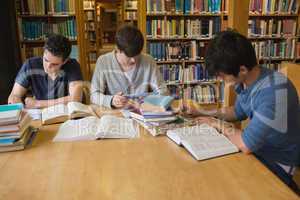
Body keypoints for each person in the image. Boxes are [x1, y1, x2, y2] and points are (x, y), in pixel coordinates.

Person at [184, 30, 300, 192]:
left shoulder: (272, 93)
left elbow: (246, 144)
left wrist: (216, 123)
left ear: (243, 69)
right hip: (258, 150)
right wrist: (204, 112)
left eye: (222, 76)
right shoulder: (248, 80)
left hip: (277, 162)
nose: (220, 80)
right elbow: (237, 112)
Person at [90, 25, 163, 108]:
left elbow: (162, 90)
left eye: (137, 55)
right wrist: (111, 100)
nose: (134, 60)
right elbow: (94, 95)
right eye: (129, 56)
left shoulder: (149, 61)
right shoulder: (103, 62)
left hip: (143, 113)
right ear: (118, 49)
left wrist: (148, 101)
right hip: (115, 114)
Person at [8, 34, 83, 108]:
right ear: (43, 52)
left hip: (64, 115)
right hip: (39, 116)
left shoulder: (72, 65)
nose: (48, 66)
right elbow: (14, 95)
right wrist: (16, 102)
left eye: (54, 64)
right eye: (46, 60)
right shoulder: (30, 65)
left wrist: (38, 103)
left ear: (65, 61)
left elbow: (76, 99)